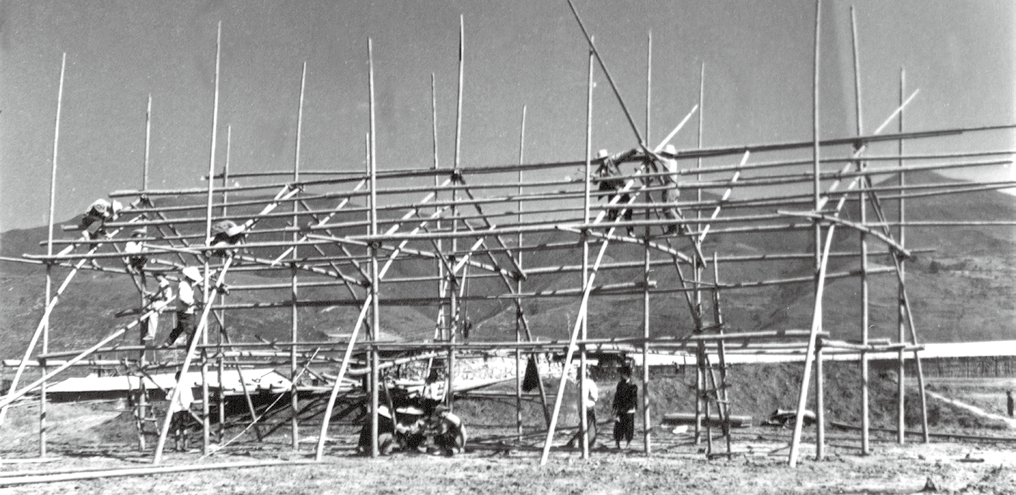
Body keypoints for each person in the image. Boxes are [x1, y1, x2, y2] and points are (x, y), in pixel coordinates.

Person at [595, 149, 634, 237]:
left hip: (621, 188)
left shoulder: (612, 161)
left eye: (603, 159)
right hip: (612, 191)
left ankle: (630, 231)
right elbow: (595, 181)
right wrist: (595, 177)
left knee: (628, 210)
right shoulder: (601, 169)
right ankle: (608, 232)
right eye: (601, 160)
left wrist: (631, 151)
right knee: (612, 212)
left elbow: (621, 155)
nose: (602, 161)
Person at [162, 267, 203, 348]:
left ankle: (169, 341)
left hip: (183, 310)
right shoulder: (184, 285)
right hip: (186, 311)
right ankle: (190, 350)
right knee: (191, 331)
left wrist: (195, 302)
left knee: (180, 327)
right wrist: (193, 302)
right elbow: (183, 299)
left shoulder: (187, 284)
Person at [566, 366, 598, 448]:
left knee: (584, 425)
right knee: (590, 428)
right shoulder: (590, 382)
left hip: (580, 408)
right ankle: (585, 445)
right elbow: (594, 396)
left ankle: (575, 442)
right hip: (589, 407)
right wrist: (593, 399)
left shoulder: (579, 383)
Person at [658, 144, 684, 234]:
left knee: (667, 208)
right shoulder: (674, 162)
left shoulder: (667, 160)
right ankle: (673, 229)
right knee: (671, 208)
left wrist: (644, 147)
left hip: (670, 186)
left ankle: (680, 223)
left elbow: (654, 155)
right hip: (674, 186)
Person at [141, 273, 173, 344]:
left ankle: (151, 334)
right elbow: (159, 294)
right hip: (161, 301)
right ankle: (146, 328)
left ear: (160, 276)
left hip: (163, 302)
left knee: (153, 314)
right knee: (146, 310)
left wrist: (152, 295)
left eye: (156, 276)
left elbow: (162, 296)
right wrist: (151, 295)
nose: (155, 278)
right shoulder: (162, 283)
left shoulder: (164, 283)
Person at [612, 365, 639, 449]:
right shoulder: (620, 384)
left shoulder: (633, 386)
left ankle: (628, 442)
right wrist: (615, 407)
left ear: (626, 374)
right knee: (618, 427)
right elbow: (617, 396)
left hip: (629, 410)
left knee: (628, 427)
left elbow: (633, 399)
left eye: (622, 374)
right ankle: (618, 442)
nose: (621, 375)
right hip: (621, 410)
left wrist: (626, 408)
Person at [169, 371, 196, 452]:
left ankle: (178, 446)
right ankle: (185, 445)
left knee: (176, 428)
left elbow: (169, 397)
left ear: (176, 378)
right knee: (184, 428)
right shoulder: (187, 387)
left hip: (176, 409)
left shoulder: (174, 386)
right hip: (185, 409)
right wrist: (189, 408)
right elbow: (191, 399)